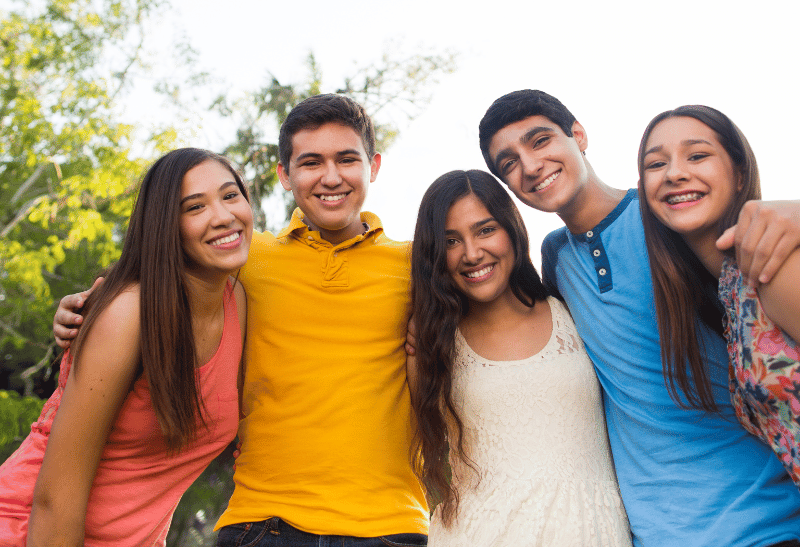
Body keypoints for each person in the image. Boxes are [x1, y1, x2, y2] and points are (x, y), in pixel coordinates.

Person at [55, 94, 428, 547]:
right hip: (261, 523)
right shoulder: (245, 262)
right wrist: (79, 306)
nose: (331, 177)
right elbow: (156, 274)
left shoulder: (418, 267)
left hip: (390, 526)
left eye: (347, 159)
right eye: (311, 163)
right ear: (284, 176)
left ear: (374, 166)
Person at [477, 89, 800, 547]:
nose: (529, 166)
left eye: (540, 141)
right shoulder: (555, 258)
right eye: (508, 162)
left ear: (578, 136)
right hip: (650, 533)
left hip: (762, 523)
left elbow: (753, 233)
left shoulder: (675, 217)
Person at [0, 148, 251, 547]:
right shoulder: (129, 315)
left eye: (230, 196)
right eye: (195, 207)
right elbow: (54, 500)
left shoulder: (235, 298)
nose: (222, 216)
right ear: (165, 226)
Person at [409, 169, 631, 546]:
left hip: (595, 531)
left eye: (485, 230)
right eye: (451, 240)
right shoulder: (431, 342)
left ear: (511, 228)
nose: (472, 253)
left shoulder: (570, 306)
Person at [638, 104, 800, 490]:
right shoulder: (726, 289)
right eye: (656, 164)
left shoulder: (772, 268)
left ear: (740, 170)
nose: (675, 173)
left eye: (697, 156)